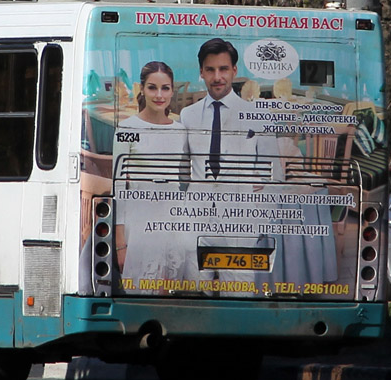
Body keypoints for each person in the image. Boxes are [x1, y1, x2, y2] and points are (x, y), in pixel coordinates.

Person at [109, 61, 189, 290]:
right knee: (142, 285)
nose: (159, 95)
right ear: (142, 89)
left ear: (172, 90)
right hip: (140, 215)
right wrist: (120, 240)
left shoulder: (180, 130)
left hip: (173, 215)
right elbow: (118, 185)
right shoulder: (127, 129)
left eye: (165, 88)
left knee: (170, 284)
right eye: (153, 87)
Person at [179, 37, 276, 180]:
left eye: (223, 69)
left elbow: (274, 176)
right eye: (210, 70)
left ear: (234, 70)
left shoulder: (259, 116)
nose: (217, 77)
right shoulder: (187, 115)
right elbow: (182, 170)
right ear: (201, 72)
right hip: (199, 201)